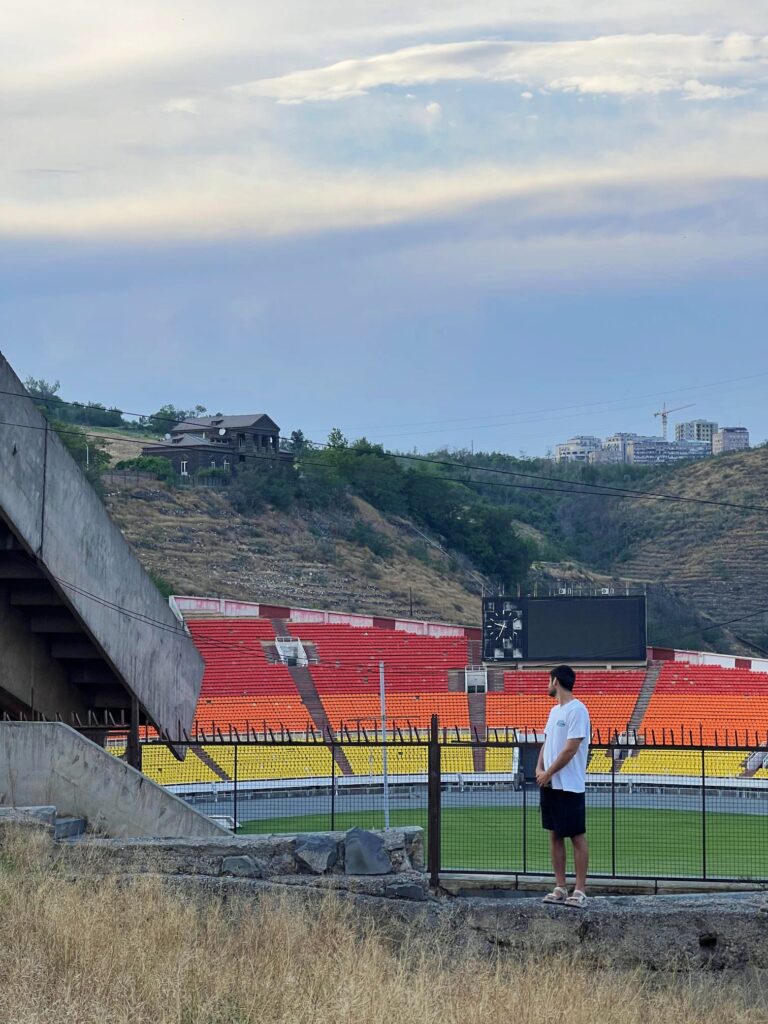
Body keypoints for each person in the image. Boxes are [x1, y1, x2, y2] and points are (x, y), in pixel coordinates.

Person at [535, 664, 590, 908]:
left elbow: (570, 749)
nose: (547, 685)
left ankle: (580, 890)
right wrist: (539, 769)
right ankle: (560, 887)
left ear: (556, 681)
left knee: (576, 835)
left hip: (569, 785)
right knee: (555, 834)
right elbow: (547, 743)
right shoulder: (554, 711)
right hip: (550, 784)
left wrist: (548, 772)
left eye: (549, 680)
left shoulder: (578, 710)